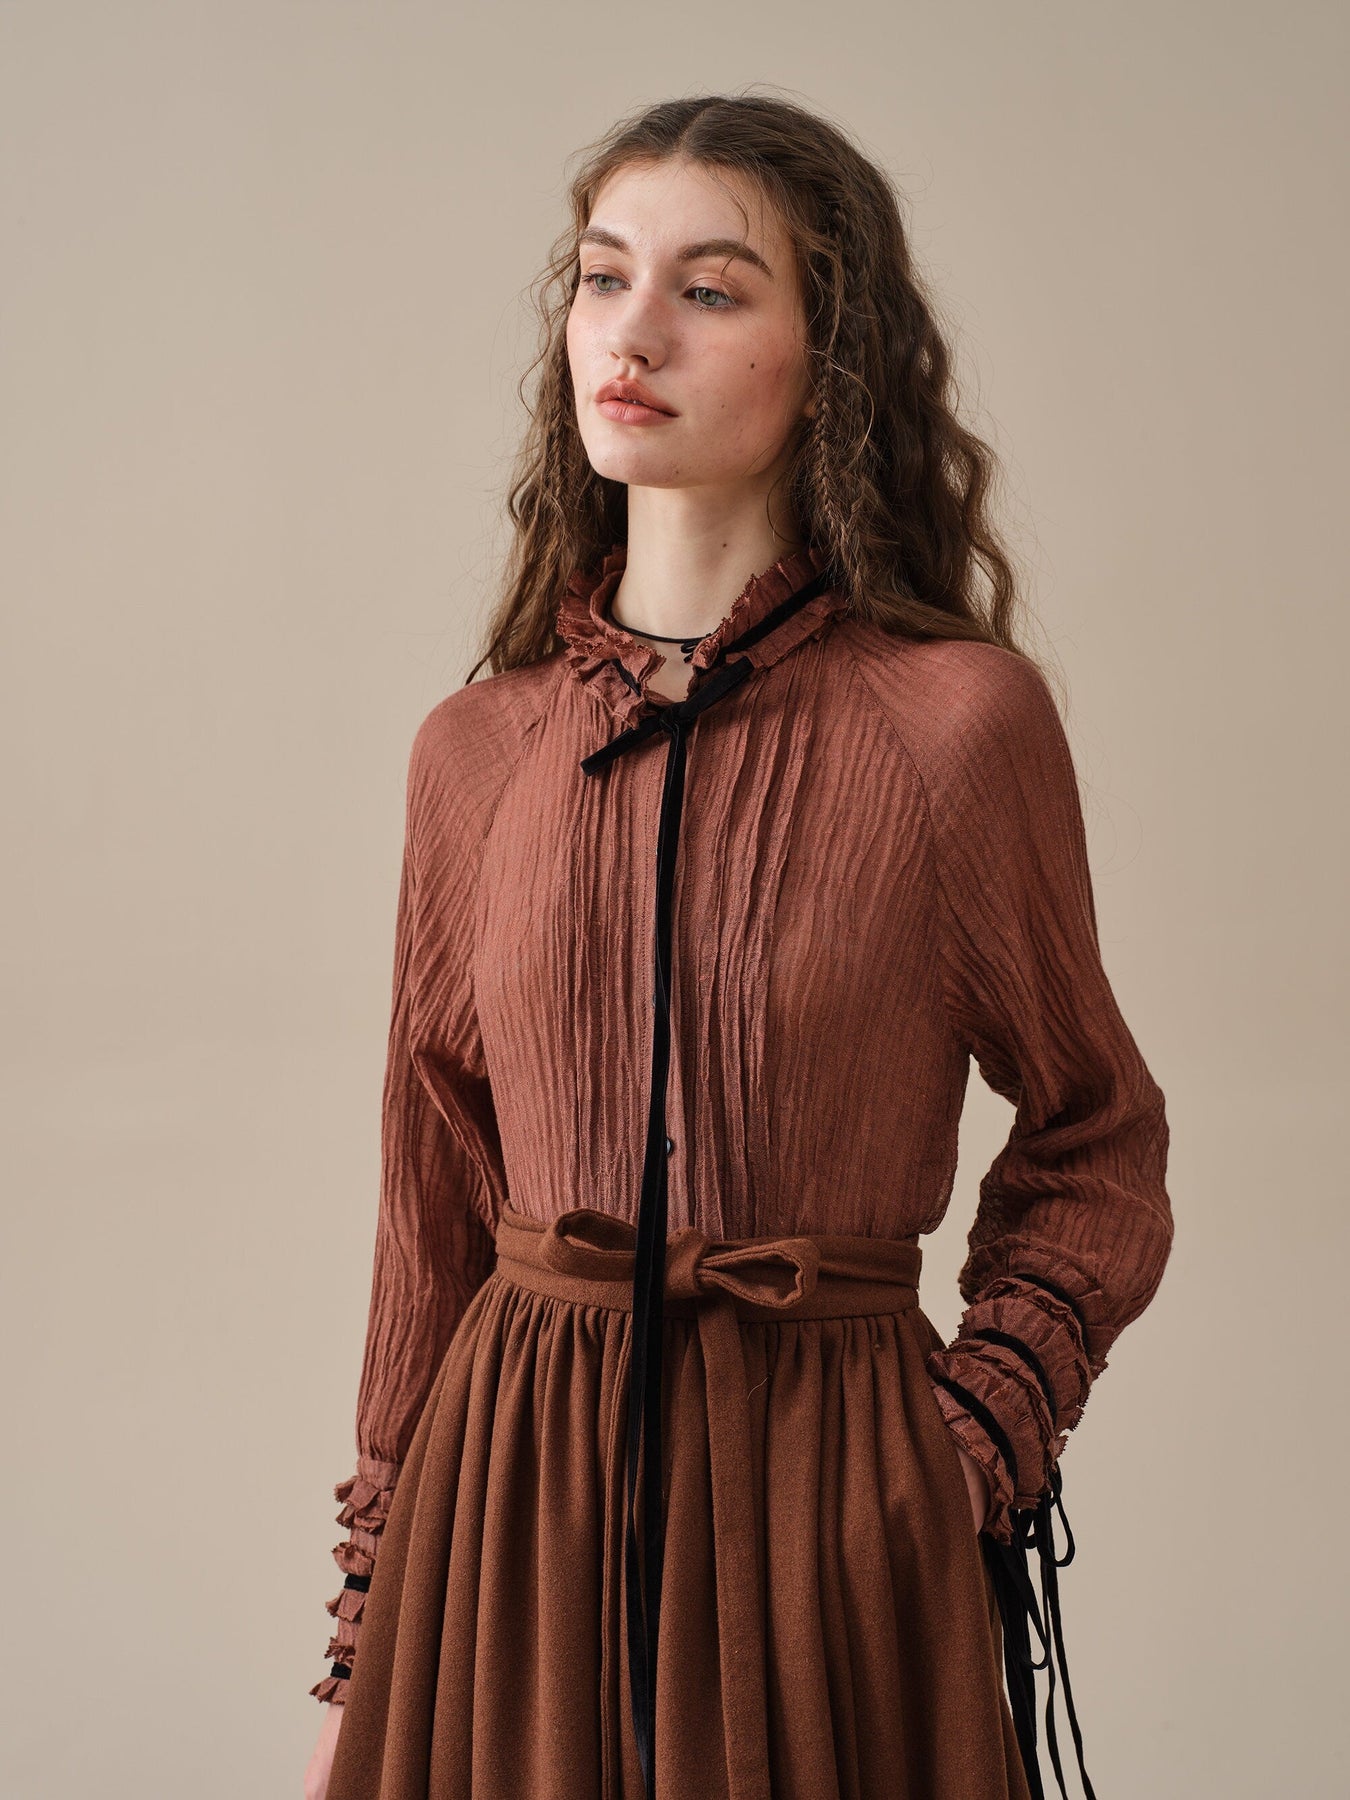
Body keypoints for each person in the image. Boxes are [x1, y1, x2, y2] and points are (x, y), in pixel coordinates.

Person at [304, 91, 1173, 1800]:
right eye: (601, 276)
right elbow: (430, 1205)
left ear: (826, 360)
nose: (630, 333)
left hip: (825, 1503)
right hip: (508, 1519)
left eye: (708, 289)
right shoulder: (474, 754)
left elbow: (1099, 1139)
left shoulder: (953, 728)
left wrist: (971, 1431)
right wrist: (364, 1629)